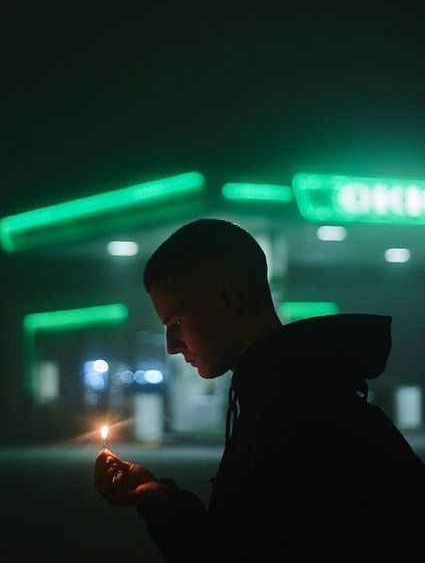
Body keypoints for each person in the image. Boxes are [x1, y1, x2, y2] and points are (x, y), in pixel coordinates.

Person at [94, 218, 425, 560]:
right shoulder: (289, 396)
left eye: (176, 323)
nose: (171, 346)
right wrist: (161, 501)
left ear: (228, 301)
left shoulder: (298, 417)